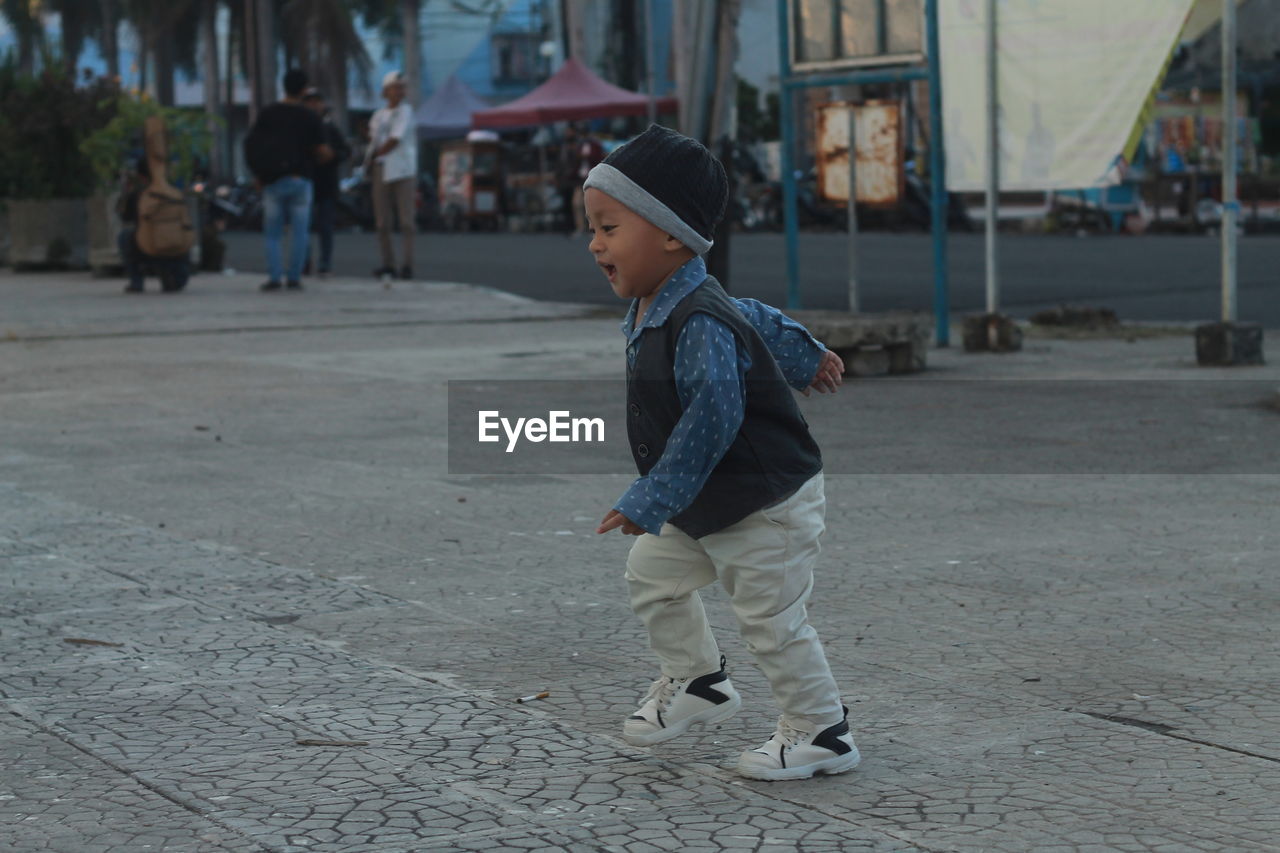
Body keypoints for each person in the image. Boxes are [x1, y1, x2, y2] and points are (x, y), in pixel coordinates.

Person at [586, 125, 856, 782]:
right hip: (709, 499)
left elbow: (715, 411)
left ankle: (823, 730)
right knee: (652, 574)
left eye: (609, 227)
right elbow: (755, 316)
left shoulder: (696, 319)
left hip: (765, 501)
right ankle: (699, 679)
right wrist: (805, 353)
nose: (595, 244)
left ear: (671, 236)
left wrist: (650, 496)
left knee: (770, 620)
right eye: (592, 227)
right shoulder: (667, 300)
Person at [244, 68, 333, 291]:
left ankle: (275, 277)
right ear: (304, 90)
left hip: (272, 180)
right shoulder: (309, 117)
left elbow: (251, 143)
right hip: (300, 180)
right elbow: (322, 151)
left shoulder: (268, 113)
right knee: (300, 232)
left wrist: (258, 173)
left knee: (273, 233)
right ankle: (294, 277)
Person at [366, 70, 417, 281]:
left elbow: (395, 138)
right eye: (395, 87)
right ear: (386, 91)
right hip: (381, 168)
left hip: (403, 169)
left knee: (406, 221)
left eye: (402, 87)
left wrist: (378, 153)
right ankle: (388, 263)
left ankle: (407, 264)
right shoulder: (378, 115)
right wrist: (369, 161)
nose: (399, 91)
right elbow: (373, 139)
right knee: (382, 221)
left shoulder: (405, 111)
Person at [302, 87, 352, 278]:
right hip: (305, 183)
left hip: (326, 185)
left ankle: (325, 263)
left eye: (317, 101)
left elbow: (345, 152)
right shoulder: (301, 128)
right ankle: (304, 262)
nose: (314, 105)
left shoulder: (330, 128)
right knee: (303, 226)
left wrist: (330, 156)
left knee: (325, 227)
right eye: (309, 101)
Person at [571, 123, 605, 236]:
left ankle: (594, 228)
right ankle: (580, 227)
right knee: (577, 203)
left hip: (592, 176)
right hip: (581, 177)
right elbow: (576, 162)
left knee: (592, 204)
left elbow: (598, 158)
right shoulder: (579, 145)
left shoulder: (594, 144)